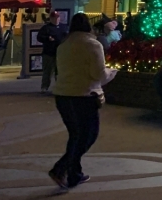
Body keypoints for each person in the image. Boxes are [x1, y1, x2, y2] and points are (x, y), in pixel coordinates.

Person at [49, 13, 116, 190]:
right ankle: (60, 168)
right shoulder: (93, 45)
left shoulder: (64, 45)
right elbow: (99, 75)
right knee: (89, 135)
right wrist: (112, 71)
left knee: (75, 135)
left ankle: (74, 174)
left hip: (63, 95)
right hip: (84, 96)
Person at [37, 10, 64, 93]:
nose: (56, 19)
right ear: (51, 18)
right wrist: (47, 38)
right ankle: (44, 87)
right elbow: (39, 37)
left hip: (60, 53)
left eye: (57, 17)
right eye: (53, 18)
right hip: (48, 53)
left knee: (59, 72)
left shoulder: (63, 27)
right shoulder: (46, 28)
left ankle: (59, 87)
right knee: (47, 72)